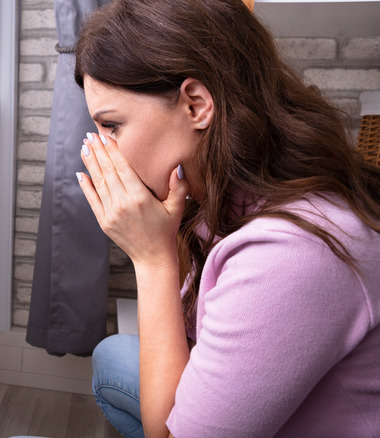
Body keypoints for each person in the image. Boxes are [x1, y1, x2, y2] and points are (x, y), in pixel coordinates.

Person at [70, 0, 380, 436]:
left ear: (196, 105)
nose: (101, 152)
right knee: (112, 356)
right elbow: (196, 334)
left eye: (113, 126)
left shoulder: (291, 253)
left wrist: (152, 259)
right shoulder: (225, 189)